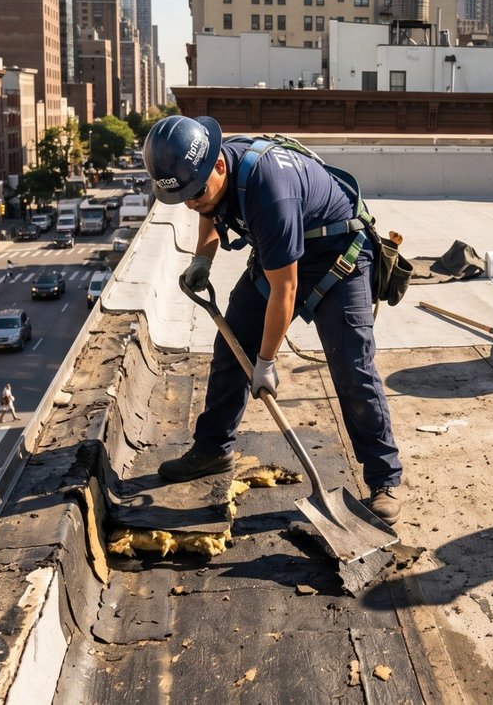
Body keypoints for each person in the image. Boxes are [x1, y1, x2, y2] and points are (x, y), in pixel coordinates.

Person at [143, 115, 406, 525]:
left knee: (352, 367)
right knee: (232, 346)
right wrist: (202, 258)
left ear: (218, 165)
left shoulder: (269, 193)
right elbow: (210, 209)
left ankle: (383, 479)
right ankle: (212, 449)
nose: (192, 203)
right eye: (184, 197)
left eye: (196, 193)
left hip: (339, 258)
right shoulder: (210, 174)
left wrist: (266, 362)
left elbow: (285, 288)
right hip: (283, 249)